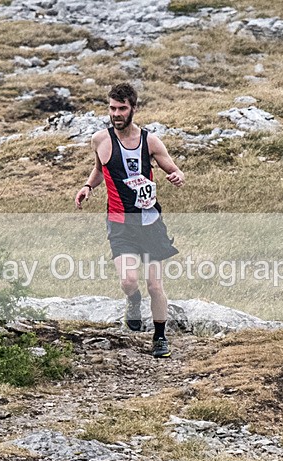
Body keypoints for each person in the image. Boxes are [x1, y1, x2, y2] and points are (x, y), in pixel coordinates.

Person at [75, 83, 185, 358]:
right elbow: (100, 169)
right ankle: (133, 301)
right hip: (120, 223)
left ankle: (160, 337)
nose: (116, 114)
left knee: (155, 286)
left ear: (133, 108)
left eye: (122, 108)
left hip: (150, 224)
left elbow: (172, 168)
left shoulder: (150, 141)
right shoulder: (100, 139)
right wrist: (88, 186)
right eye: (112, 108)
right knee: (128, 281)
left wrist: (177, 176)